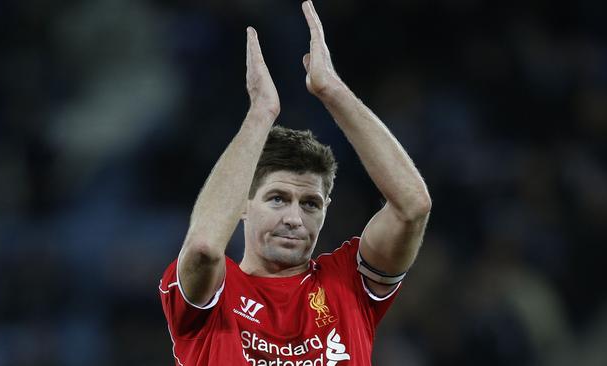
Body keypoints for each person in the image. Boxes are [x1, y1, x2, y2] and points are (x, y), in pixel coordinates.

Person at [159, 1, 431, 364]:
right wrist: (260, 115)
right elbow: (204, 248)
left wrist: (333, 91)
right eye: (277, 199)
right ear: (242, 204)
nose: (293, 218)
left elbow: (413, 207)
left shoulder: (347, 284)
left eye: (310, 204)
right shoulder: (213, 295)